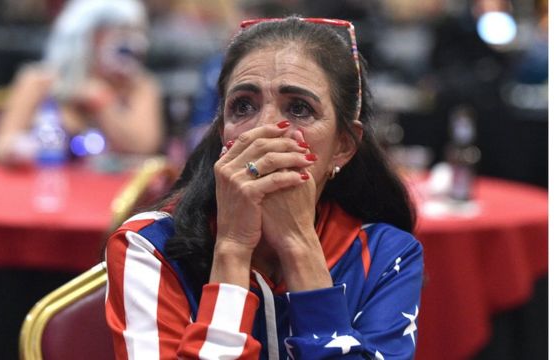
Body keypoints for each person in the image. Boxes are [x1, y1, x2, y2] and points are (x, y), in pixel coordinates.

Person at [106, 16, 423, 359]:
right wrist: (232, 248)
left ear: (344, 146)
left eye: (299, 109)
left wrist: (299, 245)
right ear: (222, 130)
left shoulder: (385, 255)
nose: (264, 129)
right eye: (243, 106)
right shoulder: (149, 246)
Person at [0, 0, 163, 165]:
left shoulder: (140, 86)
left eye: (134, 31)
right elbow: (0, 146)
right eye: (114, 32)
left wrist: (103, 102)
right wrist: (22, 148)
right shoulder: (38, 81)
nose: (129, 43)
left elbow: (145, 148)